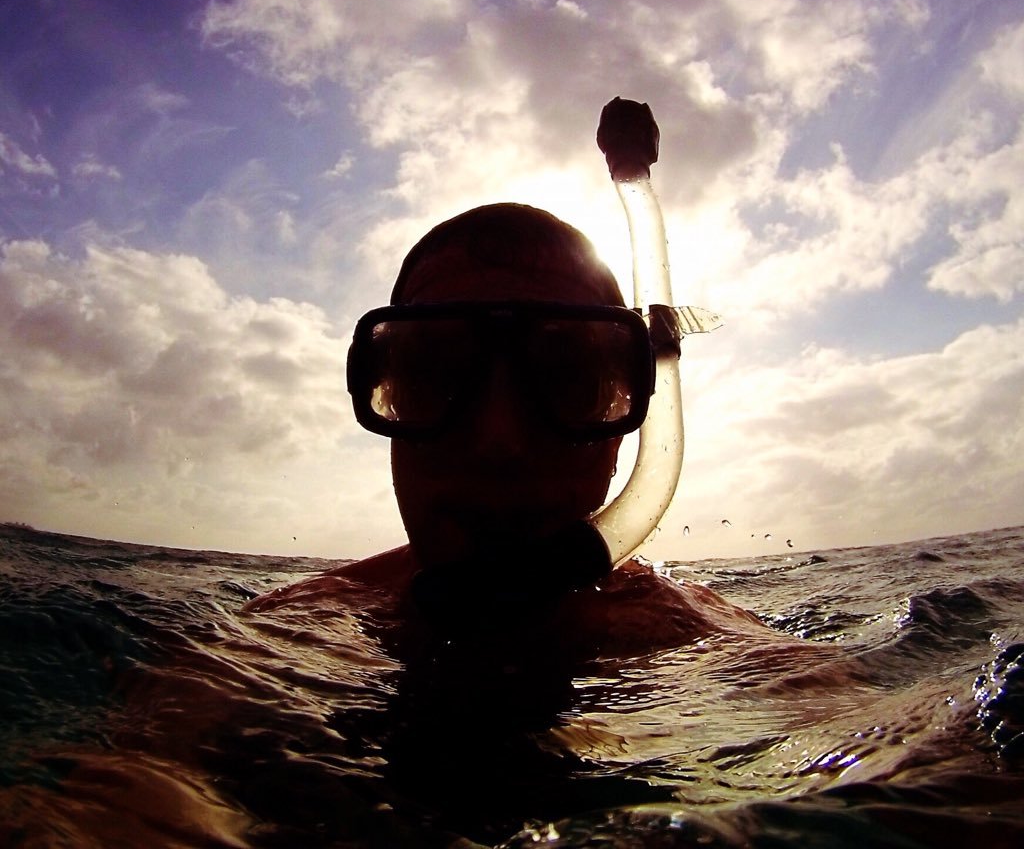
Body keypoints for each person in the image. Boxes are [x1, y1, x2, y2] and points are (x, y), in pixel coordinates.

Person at [249, 202, 770, 657]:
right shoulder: (283, 641)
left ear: (620, 431)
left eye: (567, 380)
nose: (501, 441)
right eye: (435, 376)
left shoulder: (711, 649)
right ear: (386, 401)